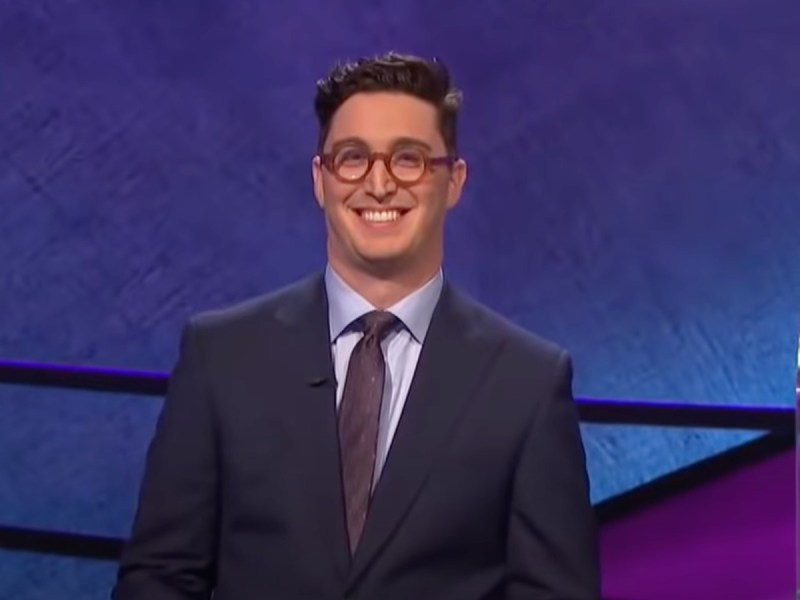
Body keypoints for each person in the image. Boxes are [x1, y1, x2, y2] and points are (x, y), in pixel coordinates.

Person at [112, 52, 600, 600]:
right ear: (321, 180)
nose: (379, 184)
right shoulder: (221, 355)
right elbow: (160, 577)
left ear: (454, 181)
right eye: (352, 158)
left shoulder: (527, 383)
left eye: (409, 159)